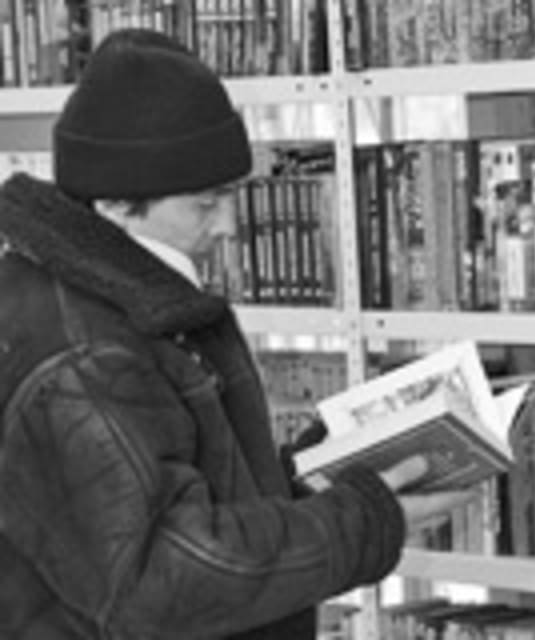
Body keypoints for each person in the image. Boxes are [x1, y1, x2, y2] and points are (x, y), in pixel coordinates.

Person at [0, 29, 472, 639]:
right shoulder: (80, 354)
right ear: (115, 203)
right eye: (205, 204)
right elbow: (163, 580)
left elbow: (197, 500)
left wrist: (317, 476)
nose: (228, 226)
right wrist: (362, 521)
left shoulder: (122, 299)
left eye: (231, 197)